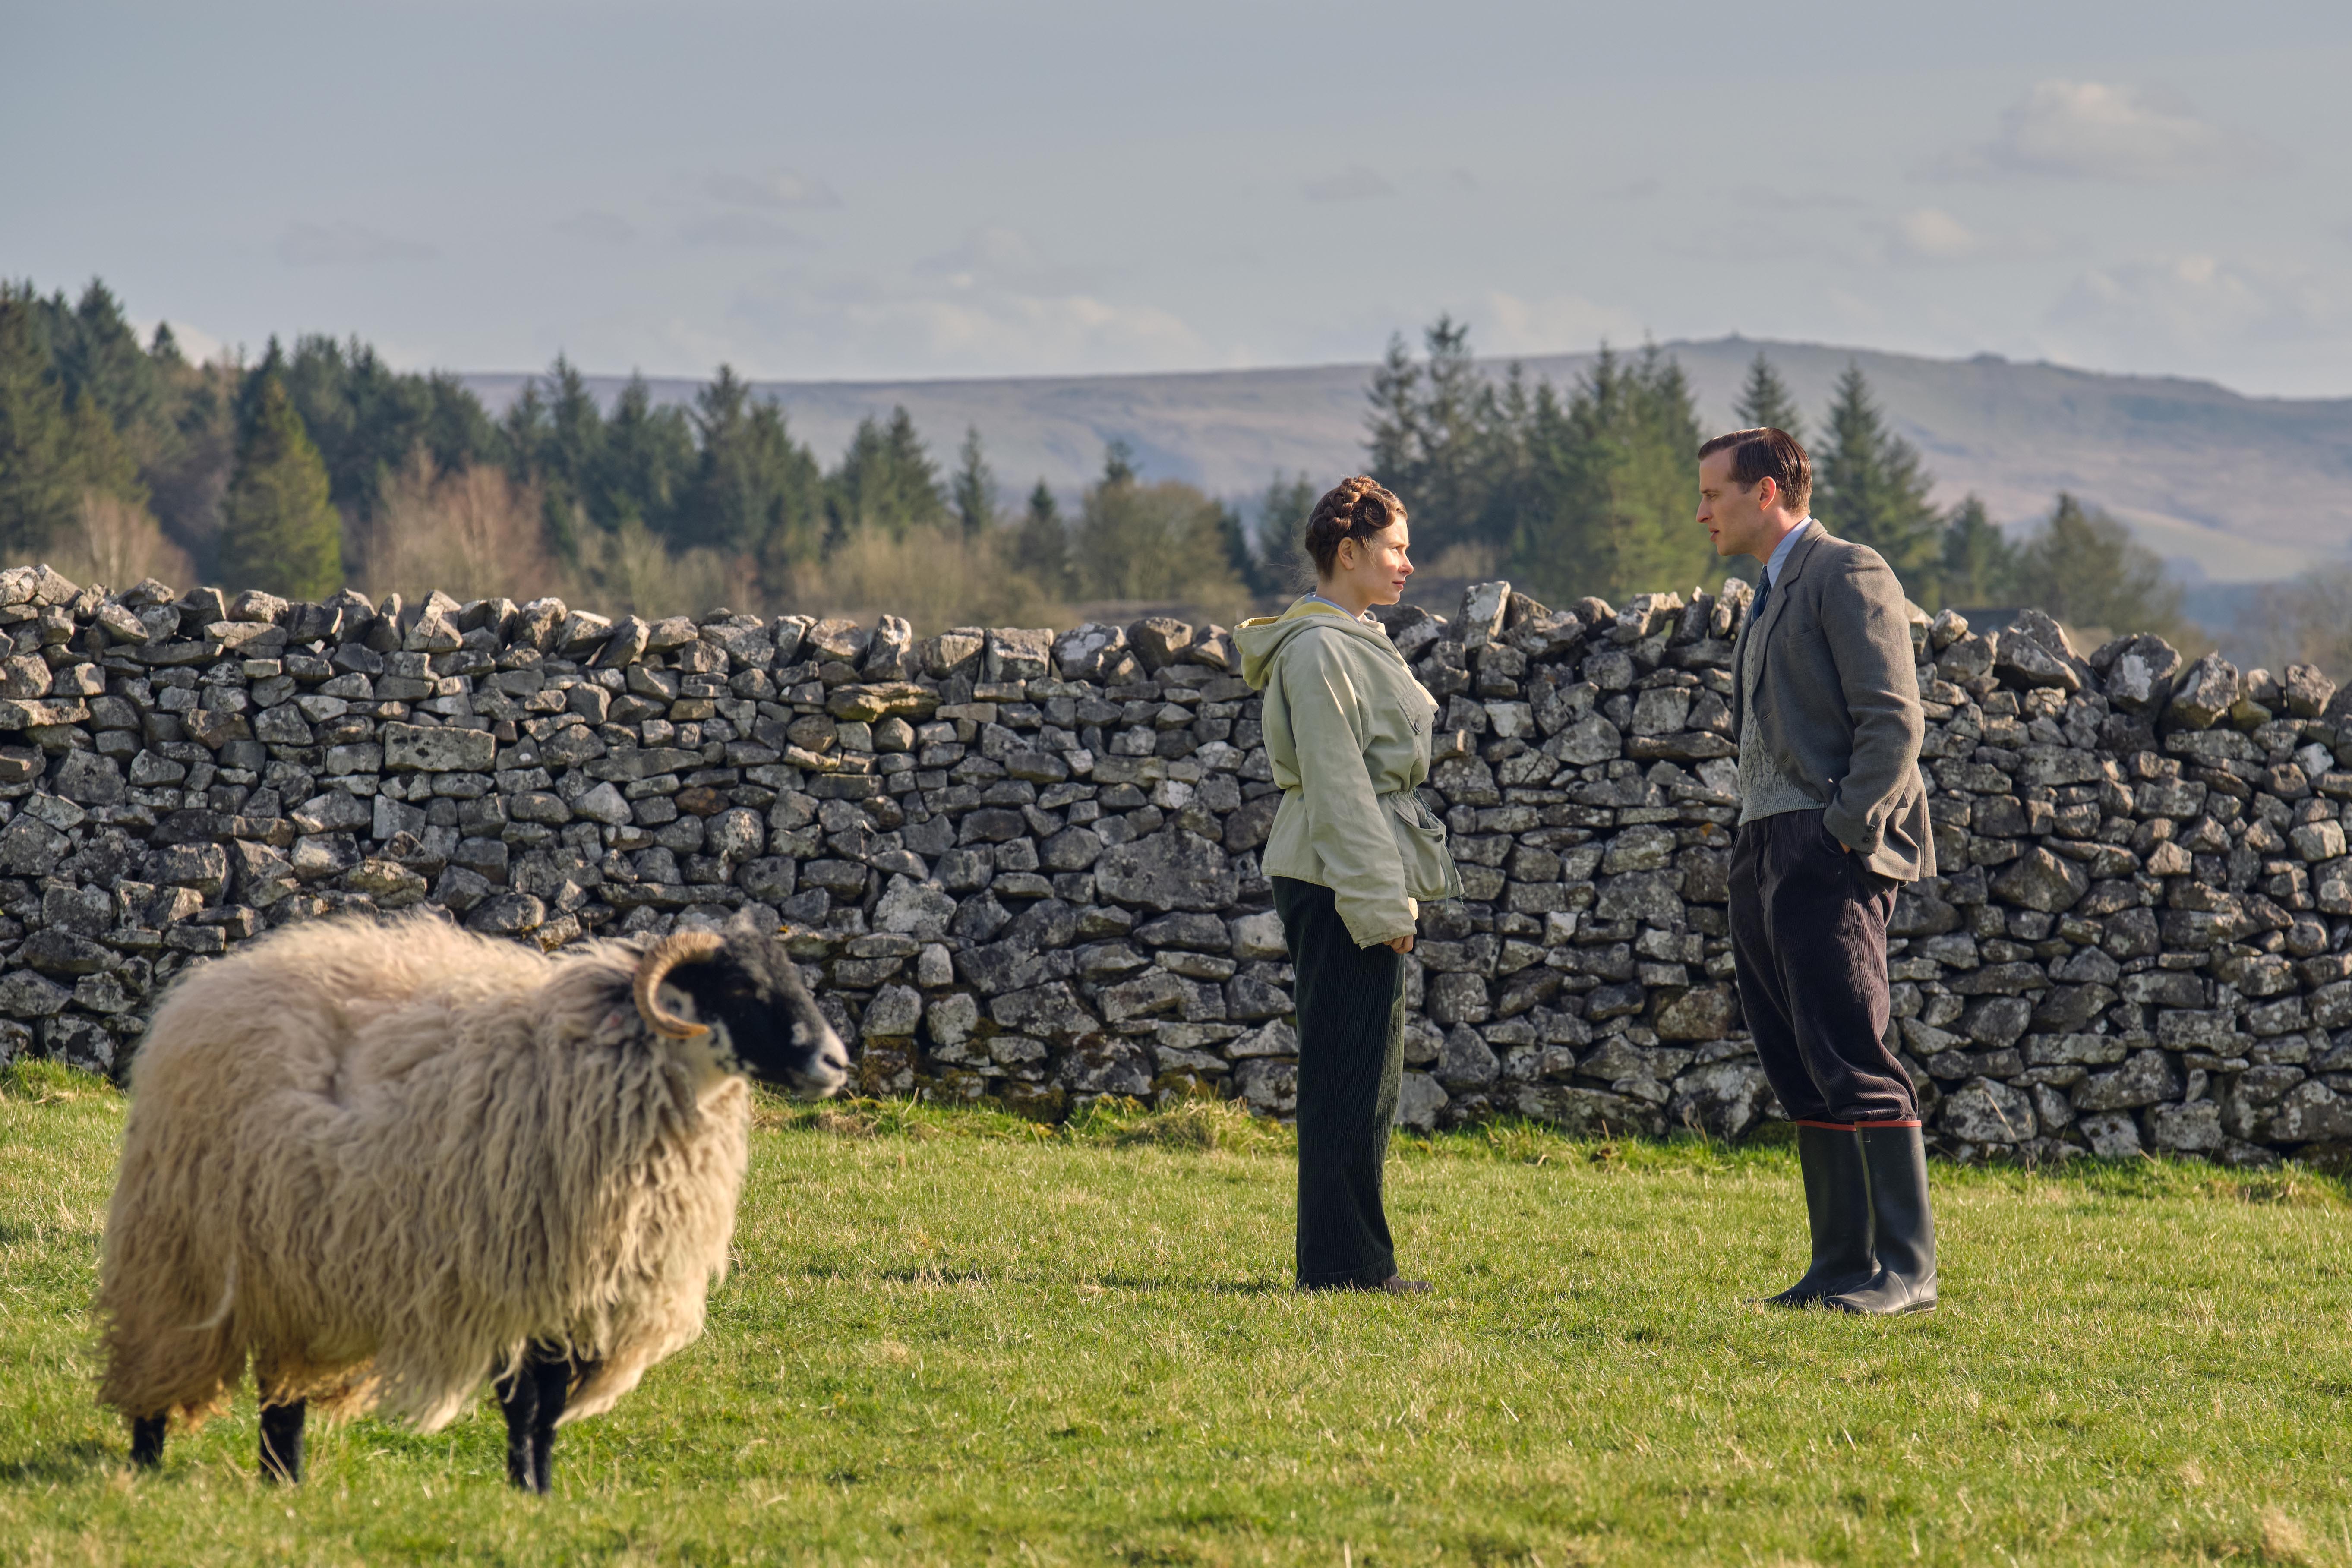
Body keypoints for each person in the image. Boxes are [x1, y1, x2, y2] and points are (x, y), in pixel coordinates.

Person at [1700, 426, 1939, 1316]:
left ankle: (1907, 1270)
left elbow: (1893, 724)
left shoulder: (1846, 571)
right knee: (1798, 1056)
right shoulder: (1766, 591)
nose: (1701, 511)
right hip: (1763, 838)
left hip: (1824, 841)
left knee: (1852, 1048)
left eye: (1713, 493)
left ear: (1766, 492)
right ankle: (1840, 1262)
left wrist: (1842, 832)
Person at [1234, 476, 1462, 1294]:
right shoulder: (1323, 649)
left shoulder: (1352, 636)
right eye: (1396, 547)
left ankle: (1353, 1260)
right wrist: (1378, 903)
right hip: (1337, 879)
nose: (1408, 563)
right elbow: (1340, 788)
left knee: (1367, 1076)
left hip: (1346, 873)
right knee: (1347, 1076)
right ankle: (1342, 1267)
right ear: (1348, 551)